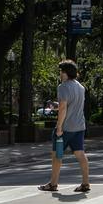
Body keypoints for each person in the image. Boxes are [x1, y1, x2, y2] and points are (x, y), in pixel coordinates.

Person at [41, 60, 90, 194]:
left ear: (66, 73)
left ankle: (53, 184)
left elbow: (63, 108)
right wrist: (55, 105)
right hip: (79, 126)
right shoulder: (80, 87)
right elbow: (69, 105)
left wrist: (59, 128)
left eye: (61, 71)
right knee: (80, 154)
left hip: (66, 127)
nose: (60, 74)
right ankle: (85, 183)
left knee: (57, 155)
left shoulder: (63, 87)